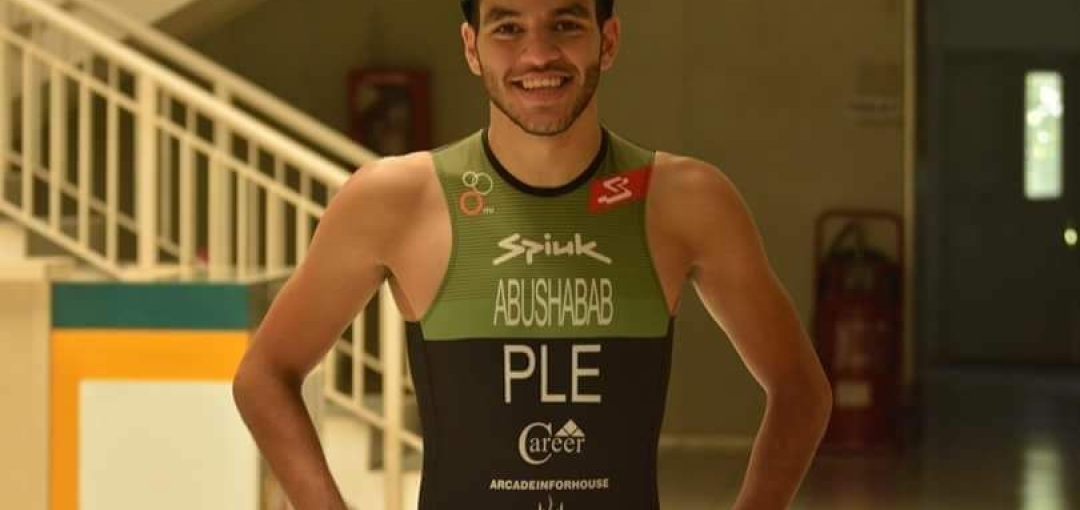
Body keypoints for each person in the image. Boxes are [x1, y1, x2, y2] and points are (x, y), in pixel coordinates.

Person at [232, 0, 833, 509]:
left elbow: (801, 390)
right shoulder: (395, 199)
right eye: (507, 27)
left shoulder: (684, 200)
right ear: (471, 48)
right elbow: (264, 377)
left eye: (565, 24)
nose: (538, 54)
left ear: (608, 40)